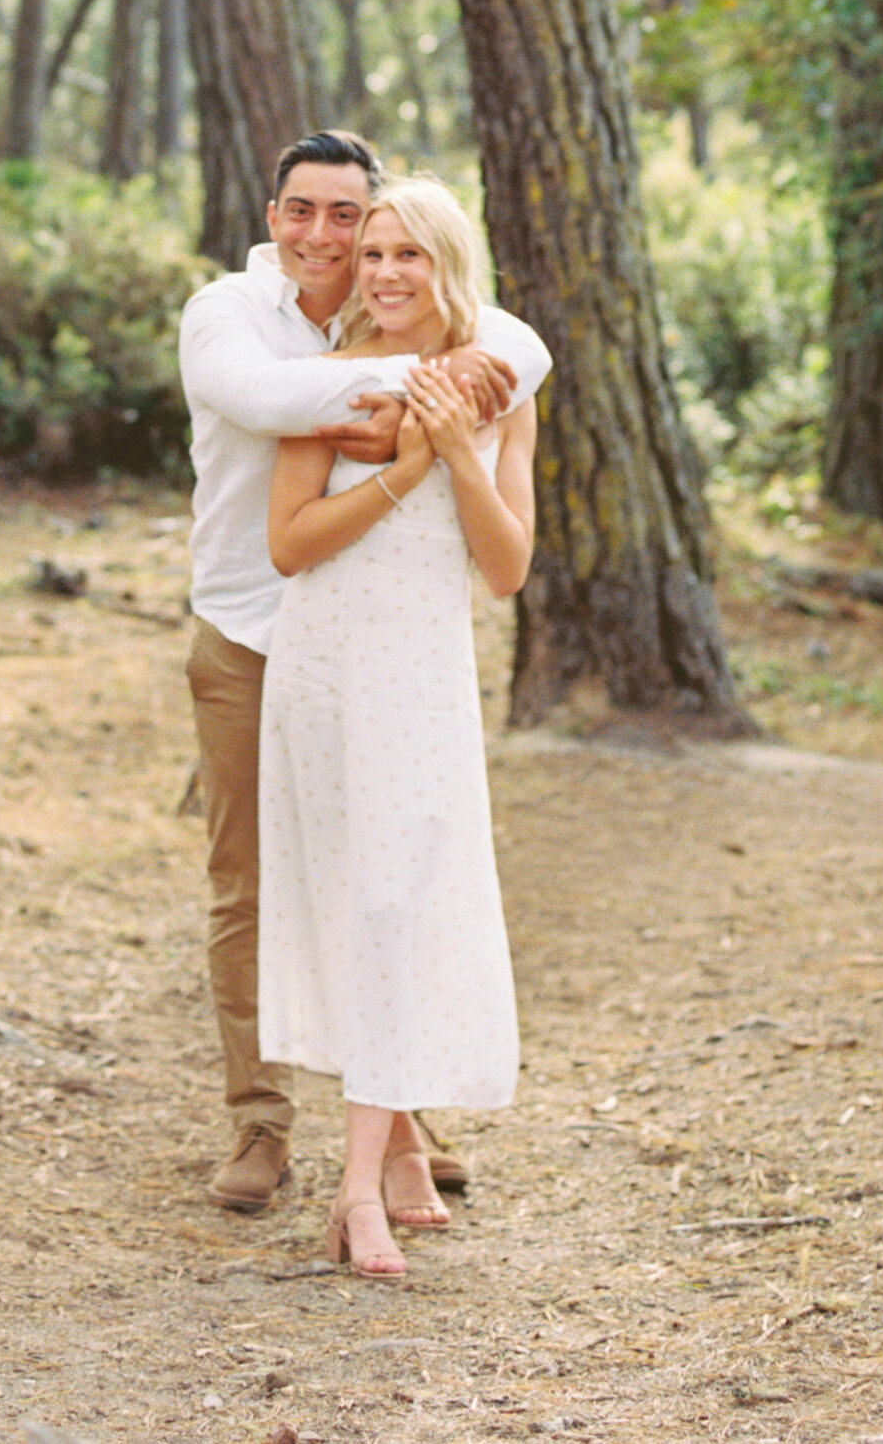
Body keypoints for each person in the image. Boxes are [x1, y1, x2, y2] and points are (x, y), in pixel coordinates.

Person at [179, 133, 550, 1214]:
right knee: (257, 885)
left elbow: (520, 347)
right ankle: (261, 1120)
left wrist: (477, 374)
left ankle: (393, 1117)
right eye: (306, 212)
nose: (329, 239)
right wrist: (429, 403)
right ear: (272, 214)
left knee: (394, 881)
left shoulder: (424, 330)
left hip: (397, 650)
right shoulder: (232, 320)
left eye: (353, 220)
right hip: (253, 636)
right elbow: (264, 397)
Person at [257, 175, 536, 1282]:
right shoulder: (320, 385)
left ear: (445, 266)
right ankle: (368, 1181)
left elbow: (507, 568)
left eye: (406, 255)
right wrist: (401, 472)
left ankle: (370, 1172)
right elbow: (288, 544)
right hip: (325, 666)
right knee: (357, 910)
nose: (380, 273)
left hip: (423, 673)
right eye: (370, 254)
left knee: (398, 904)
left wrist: (456, 449)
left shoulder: (499, 386)